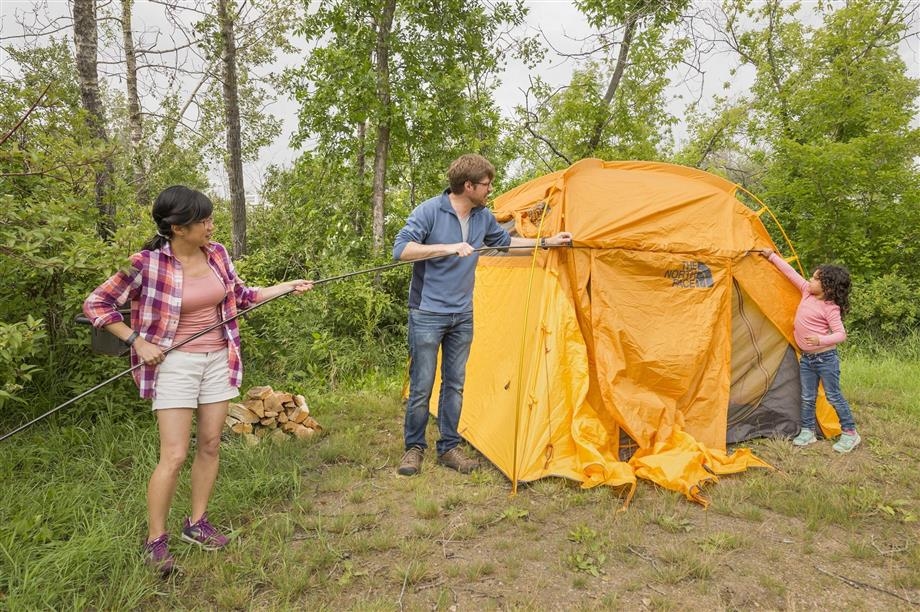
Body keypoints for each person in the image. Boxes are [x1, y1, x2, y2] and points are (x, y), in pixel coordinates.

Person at [83, 186, 314, 575]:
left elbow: (241, 295)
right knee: (173, 455)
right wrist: (137, 342)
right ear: (177, 228)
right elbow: (96, 304)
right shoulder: (144, 263)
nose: (210, 225)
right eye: (202, 220)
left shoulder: (218, 253)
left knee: (209, 444)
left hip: (219, 360)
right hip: (174, 364)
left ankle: (197, 523)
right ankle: (156, 540)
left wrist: (287, 287)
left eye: (209, 219)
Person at [392, 154, 573, 476]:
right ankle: (413, 449)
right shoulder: (430, 211)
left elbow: (505, 244)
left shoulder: (482, 216)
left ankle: (448, 448)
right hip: (428, 313)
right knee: (422, 385)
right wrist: (447, 247)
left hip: (462, 314)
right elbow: (401, 250)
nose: (490, 189)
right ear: (468, 185)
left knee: (455, 384)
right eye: (486, 184)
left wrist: (546, 242)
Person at [759, 249, 859, 453]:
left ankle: (850, 432)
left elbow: (841, 334)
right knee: (807, 395)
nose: (809, 280)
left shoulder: (830, 308)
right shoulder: (806, 291)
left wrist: (820, 339)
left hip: (825, 358)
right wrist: (771, 256)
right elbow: (790, 273)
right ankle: (808, 431)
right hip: (807, 359)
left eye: (814, 279)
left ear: (827, 287)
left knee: (833, 395)